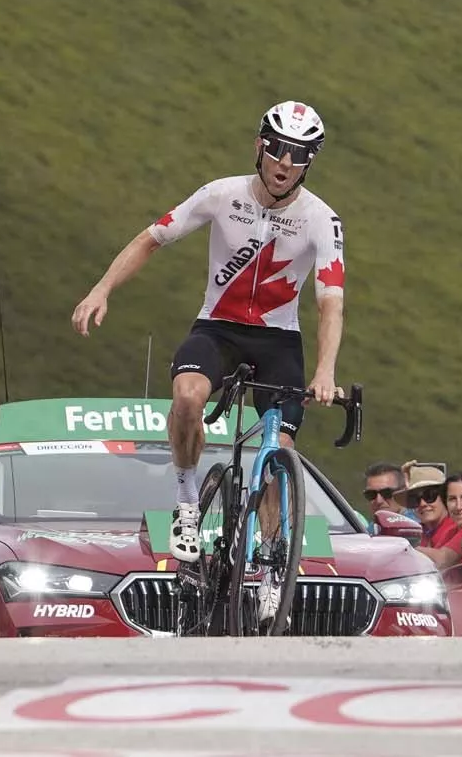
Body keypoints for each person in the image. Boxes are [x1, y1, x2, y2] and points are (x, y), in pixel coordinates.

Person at [71, 101, 346, 572]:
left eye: (298, 155)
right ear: (260, 146)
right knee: (186, 397)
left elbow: (330, 302)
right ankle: (186, 501)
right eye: (278, 149)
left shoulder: (322, 218)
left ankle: (270, 563)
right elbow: (150, 238)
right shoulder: (221, 194)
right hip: (218, 329)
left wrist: (325, 370)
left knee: (278, 450)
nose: (285, 162)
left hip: (278, 340)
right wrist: (102, 288)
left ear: (309, 162)